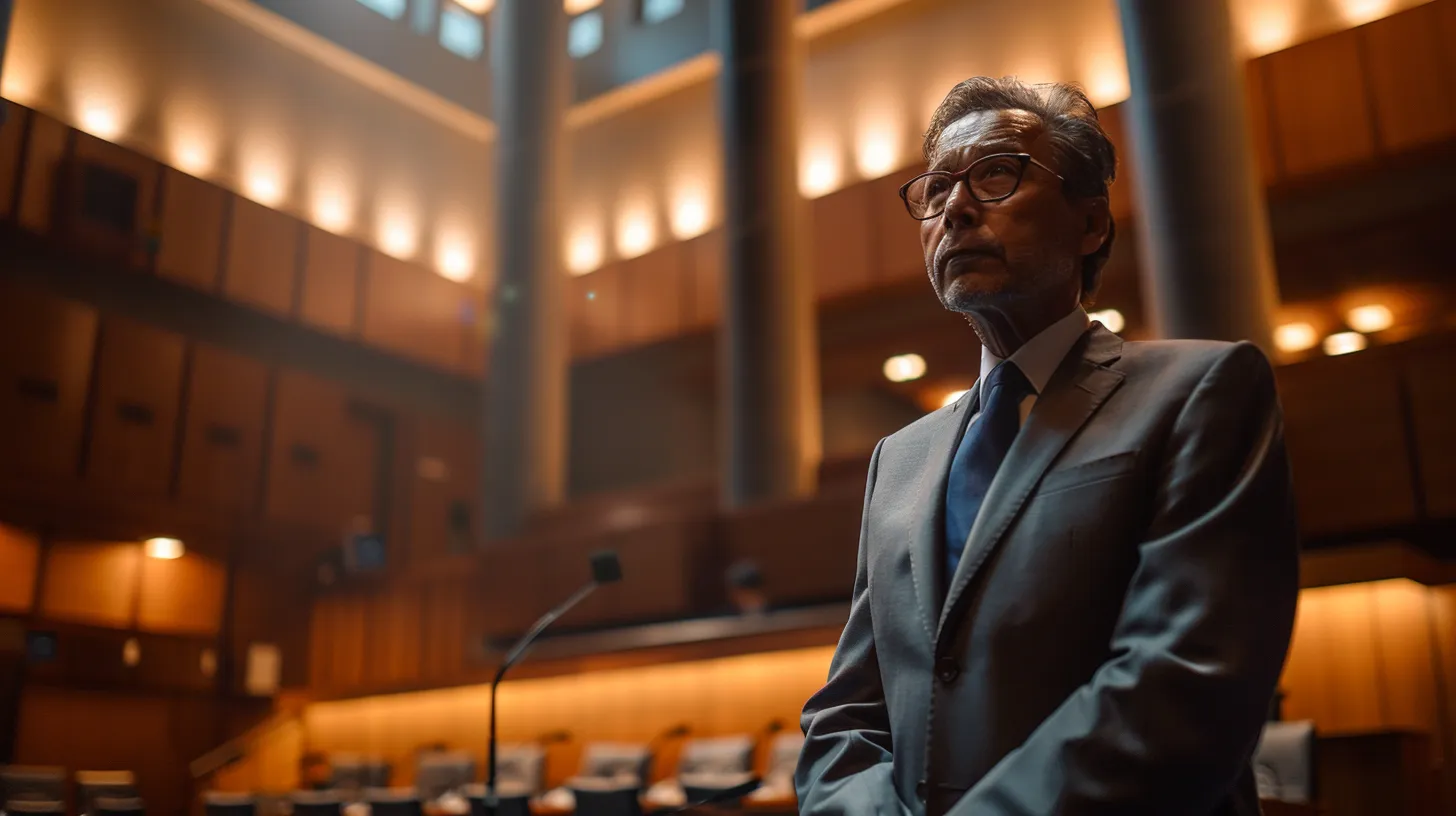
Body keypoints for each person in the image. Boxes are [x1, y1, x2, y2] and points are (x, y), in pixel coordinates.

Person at [794, 77, 1299, 816]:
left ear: (1091, 224)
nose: (955, 208)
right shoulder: (898, 459)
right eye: (935, 191)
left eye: (996, 174)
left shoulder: (1200, 393)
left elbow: (1183, 683)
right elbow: (848, 716)